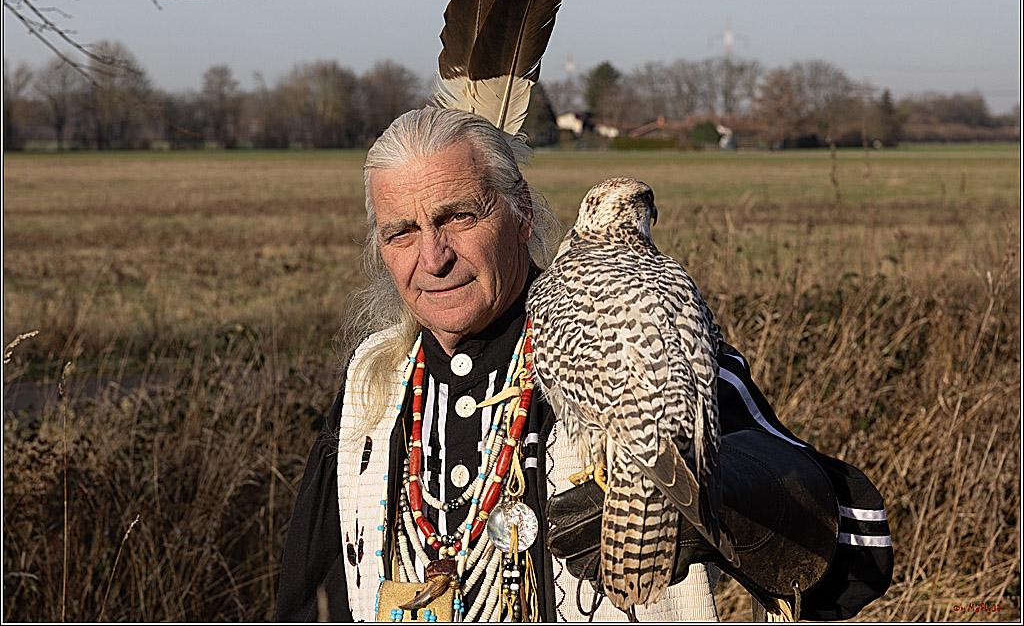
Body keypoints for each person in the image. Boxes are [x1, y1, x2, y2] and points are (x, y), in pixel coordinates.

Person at [274, 107, 893, 622]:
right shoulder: (372, 381)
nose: (432, 257)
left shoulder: (641, 339)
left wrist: (712, 490)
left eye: (458, 216)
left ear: (522, 218)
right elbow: (309, 597)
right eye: (400, 231)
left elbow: (859, 551)